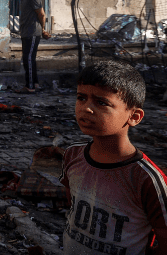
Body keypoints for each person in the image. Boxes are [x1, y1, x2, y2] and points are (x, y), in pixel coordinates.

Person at [61, 60, 167, 254]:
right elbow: (72, 203)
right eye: (81, 98)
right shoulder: (72, 155)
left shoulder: (146, 179)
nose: (86, 108)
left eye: (101, 102)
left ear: (134, 117)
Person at [13, 0, 50, 93]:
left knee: (27, 59)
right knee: (30, 59)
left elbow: (41, 14)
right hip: (25, 32)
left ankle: (30, 86)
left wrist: (42, 30)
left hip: (32, 32)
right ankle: (35, 84)